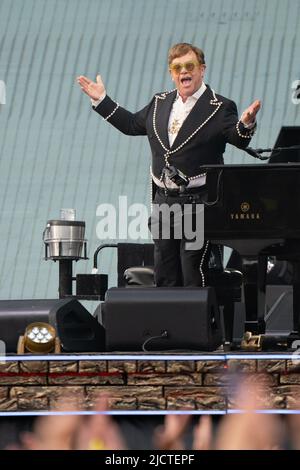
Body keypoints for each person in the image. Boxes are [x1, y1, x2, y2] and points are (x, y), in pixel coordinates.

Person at [77, 42, 261, 287]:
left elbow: (237, 138)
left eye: (189, 66)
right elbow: (131, 125)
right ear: (171, 73)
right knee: (164, 270)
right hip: (164, 202)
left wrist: (246, 124)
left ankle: (197, 324)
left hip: (197, 204)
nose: (183, 72)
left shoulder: (220, 107)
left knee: (192, 269)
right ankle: (169, 326)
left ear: (202, 69)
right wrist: (102, 100)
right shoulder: (159, 103)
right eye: (177, 67)